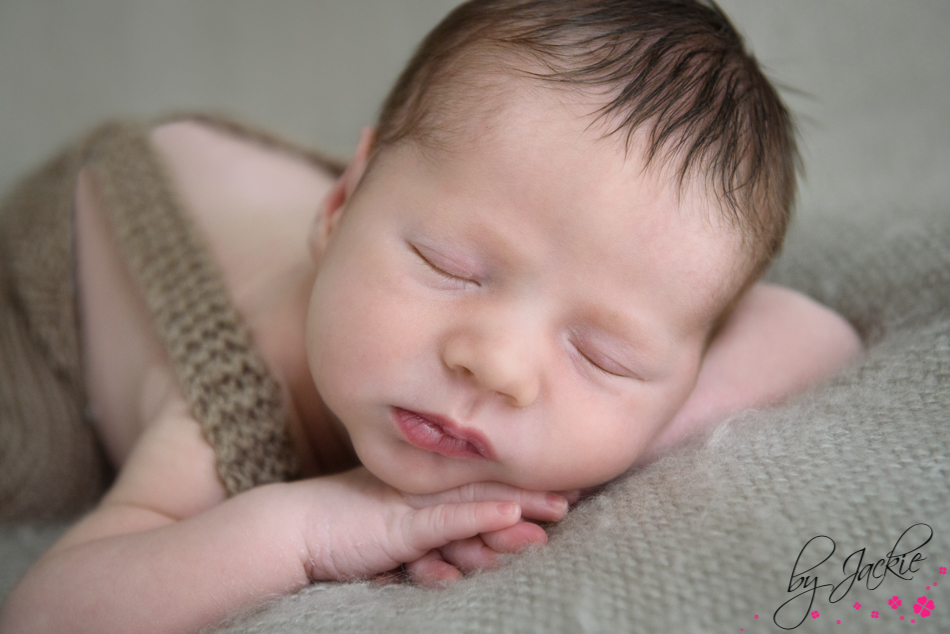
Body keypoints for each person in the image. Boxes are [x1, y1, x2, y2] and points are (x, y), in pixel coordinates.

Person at [0, 0, 862, 632]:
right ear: (341, 204)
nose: (498, 364)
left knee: (461, 188)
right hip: (71, 248)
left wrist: (578, 450)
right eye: (448, 269)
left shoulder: (457, 226)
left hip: (296, 189)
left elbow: (820, 337)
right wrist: (317, 524)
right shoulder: (238, 396)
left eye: (603, 355)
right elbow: (51, 610)